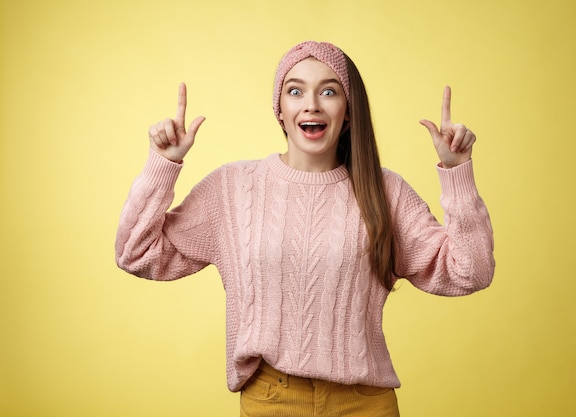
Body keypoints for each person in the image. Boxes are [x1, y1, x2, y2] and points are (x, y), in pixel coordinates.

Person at [115, 41, 495, 417]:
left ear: (348, 112)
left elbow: (470, 272)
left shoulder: (385, 191)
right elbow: (136, 254)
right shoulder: (232, 188)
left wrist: (458, 172)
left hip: (364, 402)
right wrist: (161, 165)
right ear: (280, 109)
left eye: (328, 91)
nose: (311, 103)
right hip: (271, 400)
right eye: (295, 90)